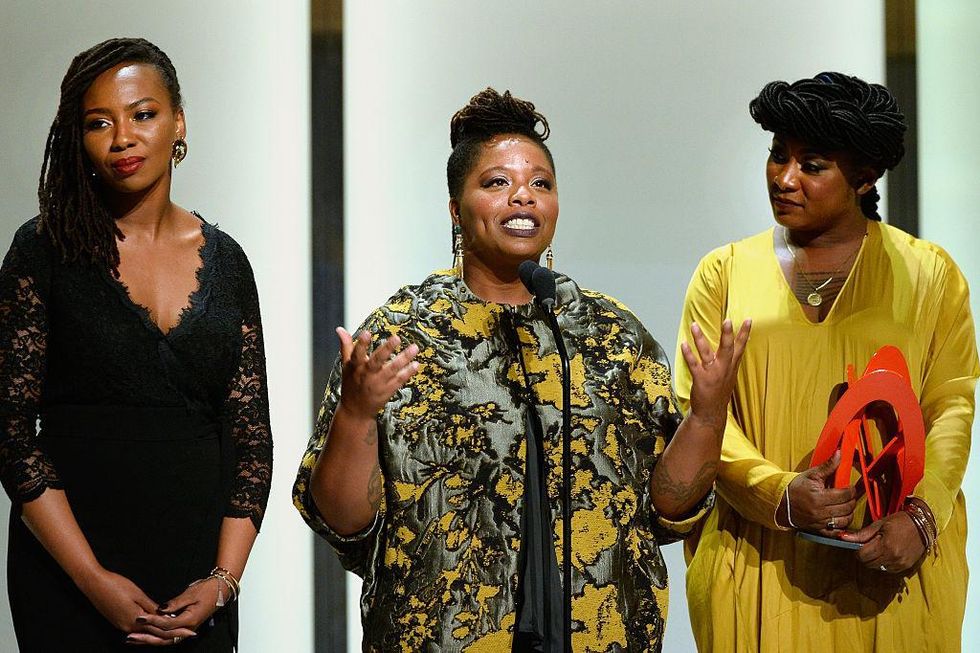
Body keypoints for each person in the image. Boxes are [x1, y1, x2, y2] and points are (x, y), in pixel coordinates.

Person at [294, 87, 750, 651]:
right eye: (496, 183)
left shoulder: (610, 334)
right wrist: (357, 414)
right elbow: (344, 522)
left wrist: (706, 416)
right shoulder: (405, 333)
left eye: (541, 183)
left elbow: (668, 510)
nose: (523, 197)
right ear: (456, 210)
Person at [675, 72, 978, 651]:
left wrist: (922, 517)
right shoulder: (724, 272)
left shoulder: (929, 273)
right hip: (759, 557)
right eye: (777, 155)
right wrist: (780, 494)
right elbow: (702, 410)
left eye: (811, 165)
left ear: (864, 177)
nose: (784, 178)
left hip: (891, 558)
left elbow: (951, 406)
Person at [0, 38, 273, 650]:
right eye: (99, 123)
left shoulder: (228, 263)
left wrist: (223, 582)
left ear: (179, 122)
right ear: (79, 139)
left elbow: (252, 439)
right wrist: (90, 579)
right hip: (70, 577)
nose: (122, 138)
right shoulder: (43, 250)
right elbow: (12, 434)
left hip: (197, 581)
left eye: (142, 114)